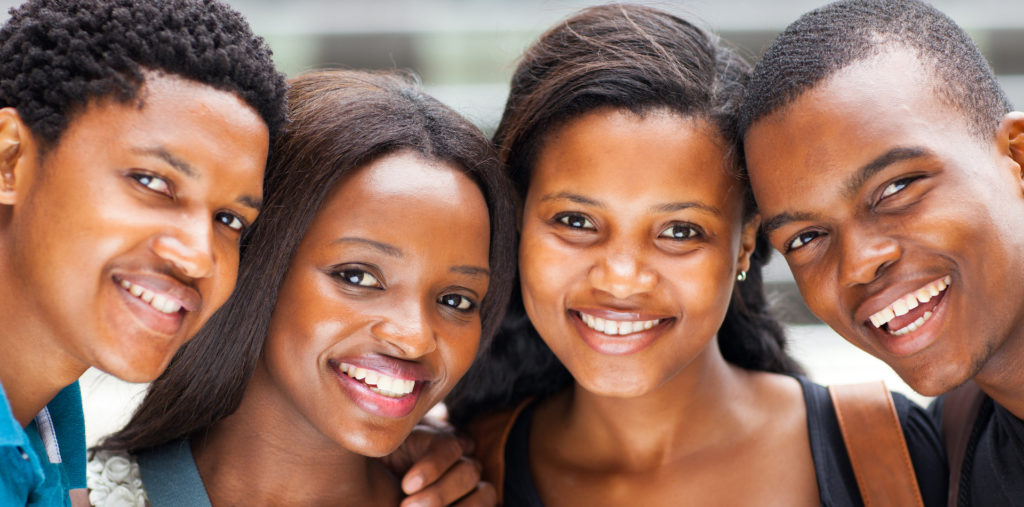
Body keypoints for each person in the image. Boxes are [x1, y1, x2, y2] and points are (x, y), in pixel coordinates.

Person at [446, 4, 945, 506]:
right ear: (516, 223)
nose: (622, 278)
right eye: (576, 222)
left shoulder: (894, 452)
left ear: (745, 242)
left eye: (680, 231)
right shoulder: (458, 472)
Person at [87, 69, 516, 507]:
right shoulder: (53, 491)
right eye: (358, 277)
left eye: (456, 300)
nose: (414, 338)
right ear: (256, 260)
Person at [0, 0, 287, 504]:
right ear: (10, 161)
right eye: (152, 182)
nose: (199, 257)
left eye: (229, 220)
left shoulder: (46, 400)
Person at [738, 1, 1024, 505]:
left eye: (896, 188)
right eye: (805, 238)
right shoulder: (943, 456)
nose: (858, 262)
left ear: (1017, 159)